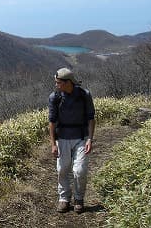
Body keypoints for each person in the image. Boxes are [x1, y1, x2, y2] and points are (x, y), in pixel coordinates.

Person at [48, 67, 95, 214]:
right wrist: (53, 143)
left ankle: (79, 199)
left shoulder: (84, 95)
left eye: (59, 82)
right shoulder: (55, 97)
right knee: (62, 169)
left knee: (79, 171)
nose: (56, 85)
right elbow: (52, 122)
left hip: (81, 137)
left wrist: (90, 140)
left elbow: (91, 119)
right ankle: (64, 199)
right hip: (62, 138)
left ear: (68, 82)